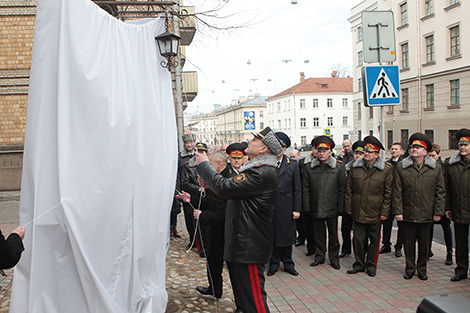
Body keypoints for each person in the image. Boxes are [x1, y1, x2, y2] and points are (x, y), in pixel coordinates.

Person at [195, 126, 283, 313]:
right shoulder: (254, 169)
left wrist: (204, 165)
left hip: (249, 245)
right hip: (241, 242)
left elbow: (225, 188)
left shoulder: (261, 172)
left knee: (254, 301)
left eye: (255, 140)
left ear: (263, 149)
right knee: (243, 299)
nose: (249, 141)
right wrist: (210, 188)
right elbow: (232, 194)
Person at [177, 150, 236, 299]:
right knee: (212, 260)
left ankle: (240, 301)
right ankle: (214, 289)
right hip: (216, 229)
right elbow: (210, 201)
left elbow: (224, 213)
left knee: (232, 267)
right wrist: (191, 198)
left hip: (228, 230)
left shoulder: (228, 179)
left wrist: (203, 216)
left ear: (219, 163)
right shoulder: (218, 178)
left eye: (208, 164)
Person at [393, 133, 445, 281]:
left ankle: (422, 269)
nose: (414, 149)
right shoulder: (402, 167)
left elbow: (440, 191)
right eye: (413, 147)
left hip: (426, 212)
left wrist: (438, 212)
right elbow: (397, 192)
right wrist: (398, 211)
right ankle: (409, 268)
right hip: (408, 212)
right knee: (408, 243)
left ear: (425, 151)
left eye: (418, 147)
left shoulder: (435, 168)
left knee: (424, 244)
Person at [345, 136, 392, 277]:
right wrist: (349, 207)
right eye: (366, 151)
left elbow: (388, 193)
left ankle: (371, 265)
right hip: (358, 209)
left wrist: (385, 212)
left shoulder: (386, 169)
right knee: (358, 239)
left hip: (375, 211)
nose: (366, 154)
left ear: (377, 155)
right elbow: (349, 189)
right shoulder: (355, 167)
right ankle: (359, 264)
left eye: (370, 152)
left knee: (374, 240)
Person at [302, 136, 346, 270]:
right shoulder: (309, 168)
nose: (321, 153)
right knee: (318, 234)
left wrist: (340, 207)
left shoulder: (338, 167)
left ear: (330, 152)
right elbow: (306, 189)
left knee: (333, 235)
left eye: (324, 151)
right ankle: (319, 256)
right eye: (319, 151)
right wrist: (307, 207)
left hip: (332, 206)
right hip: (316, 207)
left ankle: (334, 258)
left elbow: (342, 189)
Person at [267, 132, 301, 277]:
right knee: (273, 236)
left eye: (282, 146)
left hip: (287, 207)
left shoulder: (292, 164)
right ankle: (273, 263)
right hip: (271, 207)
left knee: (287, 236)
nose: (279, 149)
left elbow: (297, 189)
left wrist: (297, 209)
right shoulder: (267, 163)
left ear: (285, 148)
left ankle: (288, 263)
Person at [445, 128, 470, 282]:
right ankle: (461, 270)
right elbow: (447, 188)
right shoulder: (451, 164)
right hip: (459, 208)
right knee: (460, 243)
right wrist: (448, 207)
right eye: (461, 144)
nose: (463, 147)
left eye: (466, 145)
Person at [181, 142, 209, 257]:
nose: (200, 154)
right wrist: (199, 189)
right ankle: (197, 244)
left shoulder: (210, 166)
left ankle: (205, 245)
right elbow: (185, 183)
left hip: (207, 199)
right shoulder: (188, 166)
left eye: (203, 152)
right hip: (193, 198)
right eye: (199, 151)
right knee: (193, 223)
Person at [428, 143, 453, 265]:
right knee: (429, 228)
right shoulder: (427, 168)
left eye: (433, 155)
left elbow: (447, 187)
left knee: (446, 228)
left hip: (442, 203)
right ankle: (428, 251)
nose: (431, 158)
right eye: (429, 156)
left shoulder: (444, 168)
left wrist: (446, 206)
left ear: (438, 155)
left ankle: (449, 253)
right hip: (429, 204)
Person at [340, 140, 365, 258]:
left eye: (360, 154)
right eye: (356, 154)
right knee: (345, 228)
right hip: (348, 202)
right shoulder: (347, 167)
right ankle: (346, 249)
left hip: (361, 204)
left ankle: (361, 251)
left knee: (361, 231)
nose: (358, 156)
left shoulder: (365, 169)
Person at [381, 141, 405, 257]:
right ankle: (386, 244)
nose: (394, 151)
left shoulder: (404, 164)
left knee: (401, 224)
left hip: (400, 198)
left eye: (396, 149)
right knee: (387, 222)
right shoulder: (388, 164)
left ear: (402, 151)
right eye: (392, 148)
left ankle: (399, 246)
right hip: (389, 197)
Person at [176, 133, 196, 241]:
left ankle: (198, 239)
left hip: (197, 189)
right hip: (186, 190)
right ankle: (192, 238)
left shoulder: (199, 155)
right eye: (187, 143)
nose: (189, 145)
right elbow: (178, 175)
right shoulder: (180, 158)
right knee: (188, 216)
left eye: (191, 142)